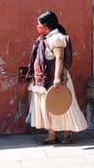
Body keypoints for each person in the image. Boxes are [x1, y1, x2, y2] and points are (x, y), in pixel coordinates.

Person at [26, 11, 88, 144]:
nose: (37, 27)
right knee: (46, 106)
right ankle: (52, 134)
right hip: (42, 79)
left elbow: (59, 58)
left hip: (56, 78)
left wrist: (57, 78)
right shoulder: (45, 38)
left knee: (62, 106)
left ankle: (68, 130)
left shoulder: (57, 38)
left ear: (46, 26)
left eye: (39, 25)